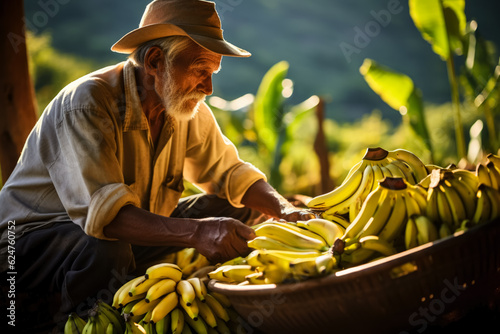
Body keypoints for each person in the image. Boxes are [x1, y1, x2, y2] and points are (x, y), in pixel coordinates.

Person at [0, 0, 313, 330]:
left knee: (231, 206)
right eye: (200, 72)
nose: (207, 88)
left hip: (117, 238)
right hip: (25, 248)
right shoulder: (87, 105)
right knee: (109, 248)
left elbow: (231, 173)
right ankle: (74, 324)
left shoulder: (183, 107)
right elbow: (109, 218)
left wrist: (284, 210)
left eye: (212, 74)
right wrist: (197, 232)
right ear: (154, 61)